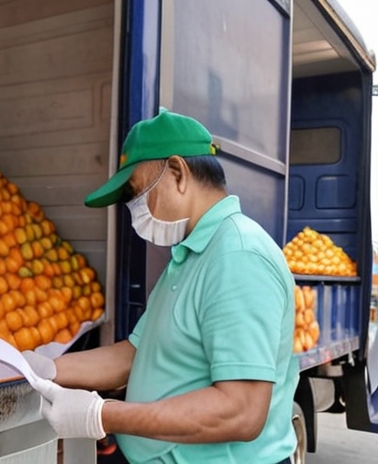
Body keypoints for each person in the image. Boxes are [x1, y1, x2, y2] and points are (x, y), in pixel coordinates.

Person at [27, 110, 299, 464]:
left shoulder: (237, 256)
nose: (134, 210)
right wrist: (45, 369)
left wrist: (100, 415)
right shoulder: (189, 256)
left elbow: (242, 410)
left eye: (138, 193)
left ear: (177, 173)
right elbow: (138, 354)